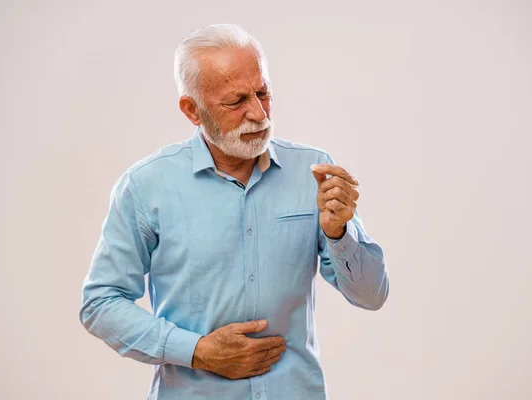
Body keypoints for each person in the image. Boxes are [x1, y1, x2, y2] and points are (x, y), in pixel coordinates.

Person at [79, 23, 389, 400]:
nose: (258, 113)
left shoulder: (315, 173)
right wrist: (197, 352)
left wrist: (340, 234)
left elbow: (372, 295)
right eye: (236, 101)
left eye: (263, 93)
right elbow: (101, 303)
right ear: (192, 109)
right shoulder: (146, 186)